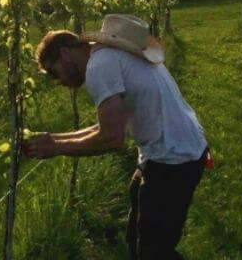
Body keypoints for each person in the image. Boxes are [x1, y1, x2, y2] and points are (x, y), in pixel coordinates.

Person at [23, 14, 209, 260]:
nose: (59, 82)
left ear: (66, 54)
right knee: (135, 241)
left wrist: (57, 149)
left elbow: (112, 138)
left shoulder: (100, 66)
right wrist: (54, 140)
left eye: (53, 73)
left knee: (154, 253)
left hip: (173, 159)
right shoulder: (109, 56)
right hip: (169, 151)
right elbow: (109, 126)